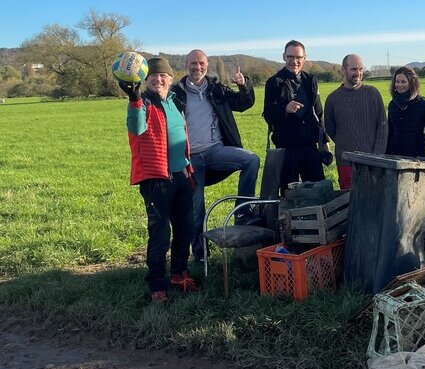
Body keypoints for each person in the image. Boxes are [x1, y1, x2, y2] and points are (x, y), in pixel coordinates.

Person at [119, 57, 199, 303]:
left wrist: (187, 167)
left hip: (181, 176)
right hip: (157, 180)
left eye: (163, 75)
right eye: (153, 76)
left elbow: (180, 136)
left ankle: (178, 274)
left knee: (185, 229)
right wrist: (134, 100)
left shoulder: (174, 102)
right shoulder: (143, 103)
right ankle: (157, 285)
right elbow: (137, 128)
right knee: (160, 234)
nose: (158, 79)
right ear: (146, 79)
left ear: (171, 78)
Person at [171, 49, 260, 262]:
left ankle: (242, 211)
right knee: (196, 210)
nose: (197, 67)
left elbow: (243, 103)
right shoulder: (177, 93)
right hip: (190, 158)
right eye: (193, 63)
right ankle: (201, 255)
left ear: (207, 65)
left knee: (251, 159)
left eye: (201, 63)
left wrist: (243, 83)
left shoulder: (216, 89)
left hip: (216, 151)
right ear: (186, 64)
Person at [263, 40, 332, 191]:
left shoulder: (310, 81)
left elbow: (319, 113)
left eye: (298, 57)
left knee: (318, 191)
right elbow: (268, 114)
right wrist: (285, 109)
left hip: (310, 147)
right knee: (289, 195)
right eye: (290, 57)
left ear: (304, 58)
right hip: (287, 148)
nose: (294, 61)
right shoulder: (274, 82)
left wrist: (325, 145)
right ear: (284, 57)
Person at [385, 66, 425, 249]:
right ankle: (404, 239)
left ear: (411, 83)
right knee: (399, 200)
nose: (399, 85)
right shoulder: (392, 105)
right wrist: (387, 153)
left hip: (417, 158)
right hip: (396, 158)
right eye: (397, 81)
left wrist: (419, 146)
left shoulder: (422, 104)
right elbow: (390, 131)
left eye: (403, 81)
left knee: (420, 198)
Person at [324, 54, 387, 190]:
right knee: (349, 203)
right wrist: (346, 142)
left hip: (372, 161)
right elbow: (330, 128)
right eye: (353, 69)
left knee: (374, 202)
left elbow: (382, 126)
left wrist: (376, 157)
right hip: (346, 162)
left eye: (360, 69)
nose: (358, 73)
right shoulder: (333, 99)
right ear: (343, 70)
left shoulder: (373, 94)